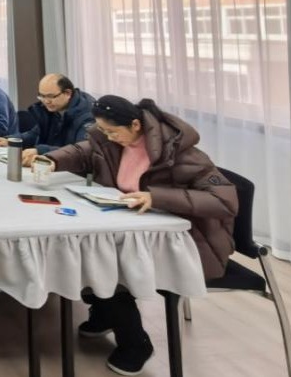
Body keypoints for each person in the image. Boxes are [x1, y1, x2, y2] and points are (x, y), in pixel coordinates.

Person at [40, 95, 238, 376]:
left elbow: (224, 201)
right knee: (88, 251)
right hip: (137, 232)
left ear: (135, 125)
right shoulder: (113, 141)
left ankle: (136, 344)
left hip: (188, 243)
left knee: (105, 265)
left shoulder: (181, 153)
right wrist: (50, 160)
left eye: (112, 131)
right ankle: (104, 313)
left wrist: (156, 197)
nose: (107, 137)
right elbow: (85, 151)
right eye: (103, 131)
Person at [0, 74, 96, 167]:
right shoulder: (51, 109)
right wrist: (11, 140)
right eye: (42, 96)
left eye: (51, 96)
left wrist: (40, 151)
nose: (46, 101)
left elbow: (80, 152)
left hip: (74, 172)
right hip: (51, 165)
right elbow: (35, 134)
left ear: (68, 93)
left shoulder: (88, 116)